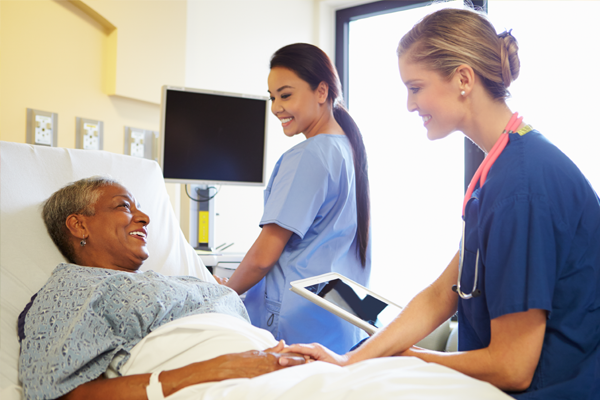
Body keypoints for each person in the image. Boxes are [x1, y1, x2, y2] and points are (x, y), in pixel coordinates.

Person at [283, 8, 600, 399]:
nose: (409, 105)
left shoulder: (523, 184)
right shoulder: (500, 169)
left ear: (463, 78)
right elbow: (441, 293)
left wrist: (407, 359)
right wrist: (353, 359)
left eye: (415, 87)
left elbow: (513, 367)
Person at [18, 177, 305, 400]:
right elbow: (56, 393)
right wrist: (219, 368)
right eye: (124, 206)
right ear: (79, 225)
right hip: (223, 384)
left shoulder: (179, 281)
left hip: (280, 370)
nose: (144, 217)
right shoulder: (72, 287)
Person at [221, 43, 372, 354]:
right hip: (342, 321)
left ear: (321, 91)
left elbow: (265, 255)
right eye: (272, 97)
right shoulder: (349, 151)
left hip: (297, 322)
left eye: (285, 95)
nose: (276, 107)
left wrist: (222, 292)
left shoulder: (309, 154)